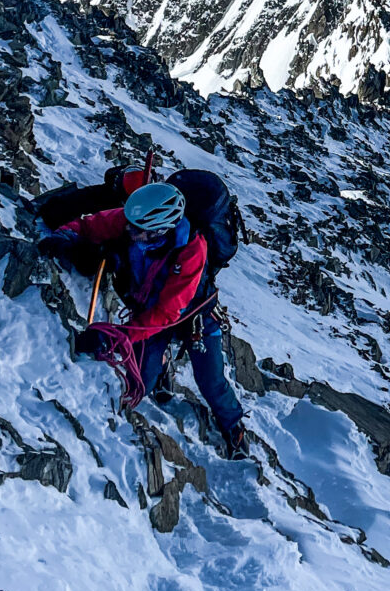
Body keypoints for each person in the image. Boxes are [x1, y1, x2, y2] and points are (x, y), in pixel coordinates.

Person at [39, 181, 249, 459]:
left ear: (162, 230)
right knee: (144, 383)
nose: (128, 231)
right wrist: (67, 239)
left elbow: (165, 314)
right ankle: (161, 370)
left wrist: (113, 336)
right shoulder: (134, 221)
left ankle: (234, 429)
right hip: (148, 310)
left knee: (211, 381)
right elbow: (88, 226)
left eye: (137, 230)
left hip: (194, 318)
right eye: (129, 225)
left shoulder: (192, 251)